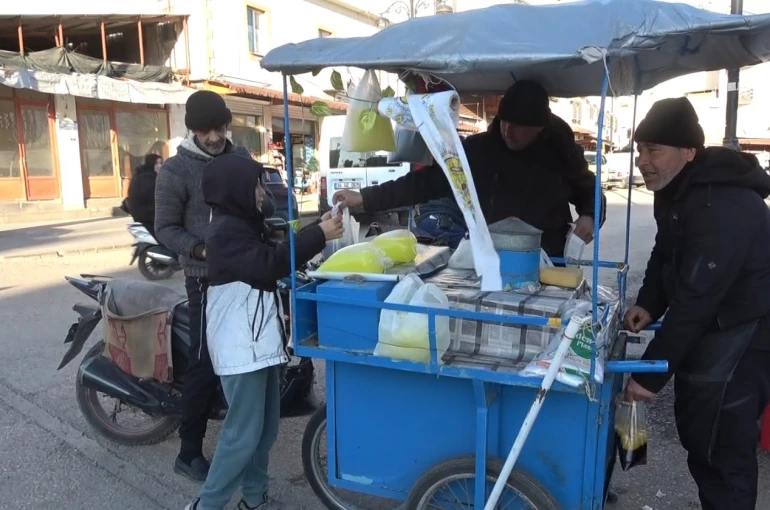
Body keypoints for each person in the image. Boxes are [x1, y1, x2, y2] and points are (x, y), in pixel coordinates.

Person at [622, 97, 770, 510]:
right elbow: (666, 252)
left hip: (746, 337)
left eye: (654, 150)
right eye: (640, 149)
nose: (642, 161)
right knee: (701, 435)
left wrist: (649, 377)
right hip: (715, 329)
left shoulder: (724, 205)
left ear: (688, 152)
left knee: (724, 449)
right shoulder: (677, 190)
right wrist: (649, 303)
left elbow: (695, 301)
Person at [184, 154, 342, 510]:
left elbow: (275, 254)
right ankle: (206, 505)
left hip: (259, 342)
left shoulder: (242, 224)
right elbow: (270, 265)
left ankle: (254, 499)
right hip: (242, 347)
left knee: (265, 429)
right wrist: (319, 234)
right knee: (242, 435)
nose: (261, 191)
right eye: (255, 184)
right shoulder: (224, 232)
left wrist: (318, 225)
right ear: (234, 189)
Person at [333, 80, 606, 258]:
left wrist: (590, 216)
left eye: (519, 126)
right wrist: (365, 198)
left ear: (539, 127)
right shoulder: (478, 150)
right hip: (488, 259)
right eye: (504, 121)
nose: (509, 131)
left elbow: (591, 192)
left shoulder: (560, 152)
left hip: (548, 260)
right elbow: (426, 182)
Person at [155, 90, 252, 482]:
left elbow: (257, 203)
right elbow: (164, 228)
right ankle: (189, 451)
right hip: (203, 279)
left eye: (219, 127)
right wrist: (197, 249)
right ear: (192, 130)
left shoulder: (241, 158)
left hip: (246, 272)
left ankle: (244, 435)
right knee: (205, 361)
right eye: (205, 129)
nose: (213, 136)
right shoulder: (176, 171)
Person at [126, 154, 162, 237]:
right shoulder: (149, 179)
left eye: (160, 163)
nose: (159, 166)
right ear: (151, 164)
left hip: (142, 217)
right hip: (148, 218)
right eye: (156, 163)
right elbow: (154, 198)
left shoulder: (141, 176)